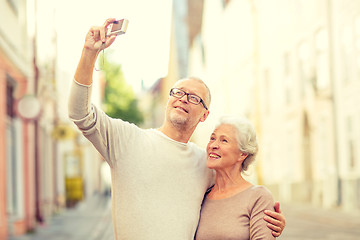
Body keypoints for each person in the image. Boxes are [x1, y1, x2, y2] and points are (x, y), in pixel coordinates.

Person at [68, 18, 285, 240]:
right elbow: (80, 113)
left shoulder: (206, 163)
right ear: (168, 100)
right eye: (177, 92)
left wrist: (266, 221)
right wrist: (89, 54)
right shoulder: (126, 140)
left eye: (193, 98)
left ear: (204, 115)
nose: (182, 99)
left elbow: (233, 196)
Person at [195, 116, 276, 240]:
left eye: (224, 141)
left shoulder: (258, 197)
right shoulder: (201, 195)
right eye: (212, 138)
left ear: (242, 154)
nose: (213, 145)